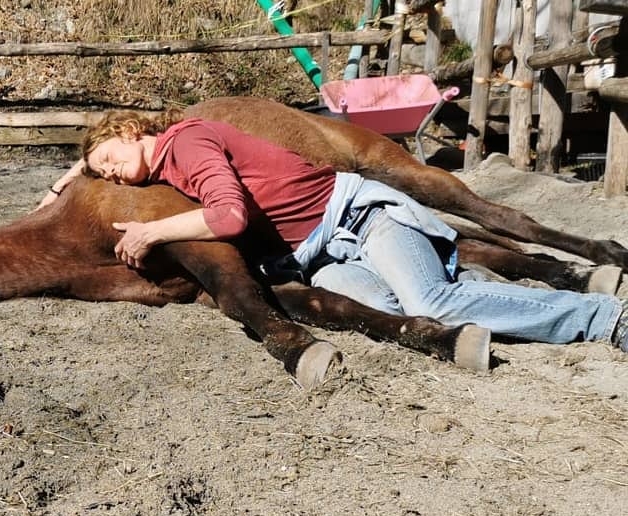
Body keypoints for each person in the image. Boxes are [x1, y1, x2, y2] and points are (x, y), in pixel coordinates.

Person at [41, 109, 628, 351]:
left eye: (111, 158)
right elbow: (96, 162)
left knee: (429, 299)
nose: (113, 174)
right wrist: (68, 177)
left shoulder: (188, 143)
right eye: (103, 174)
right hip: (324, 252)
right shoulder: (163, 160)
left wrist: (152, 232)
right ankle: (468, 272)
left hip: (358, 216)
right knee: (385, 305)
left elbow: (231, 216)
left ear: (129, 128)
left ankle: (605, 320)